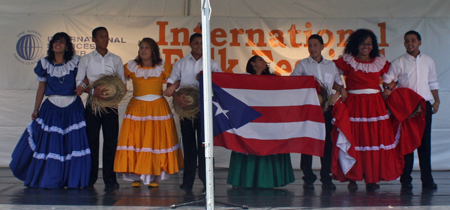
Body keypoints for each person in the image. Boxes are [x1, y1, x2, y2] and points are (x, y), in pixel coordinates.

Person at [10, 32, 91, 189]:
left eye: (61, 42)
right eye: (55, 42)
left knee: (71, 144)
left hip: (72, 107)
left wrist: (83, 86)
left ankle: (71, 179)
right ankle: (50, 177)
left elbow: (86, 79)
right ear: (51, 45)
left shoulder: (76, 62)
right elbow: (41, 87)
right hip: (51, 108)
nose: (57, 44)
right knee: (50, 145)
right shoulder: (44, 64)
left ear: (67, 46)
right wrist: (36, 109)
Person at [333, 29, 403, 189]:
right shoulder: (348, 60)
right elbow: (330, 74)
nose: (366, 46)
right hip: (354, 105)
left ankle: (372, 178)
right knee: (355, 140)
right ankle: (353, 177)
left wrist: (388, 88)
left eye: (369, 43)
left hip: (374, 106)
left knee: (373, 140)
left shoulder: (380, 62)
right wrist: (341, 89)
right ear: (356, 44)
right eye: (363, 43)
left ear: (374, 46)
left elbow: (393, 78)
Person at [113, 38, 183, 188]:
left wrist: (172, 88)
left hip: (157, 108)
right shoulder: (131, 66)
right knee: (136, 141)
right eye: (142, 48)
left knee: (154, 142)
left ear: (153, 51)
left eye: (147, 47)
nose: (143, 50)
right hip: (137, 108)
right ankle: (136, 175)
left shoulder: (163, 67)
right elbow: (117, 79)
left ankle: (154, 176)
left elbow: (178, 77)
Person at [226, 55, 296, 188]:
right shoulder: (243, 78)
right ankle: (246, 180)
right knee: (247, 144)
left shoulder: (273, 79)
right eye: (260, 60)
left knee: (269, 144)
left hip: (268, 119)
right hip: (249, 119)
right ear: (252, 63)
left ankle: (270, 180)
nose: (264, 63)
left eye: (264, 61)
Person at [164, 33, 222, 191]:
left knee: (205, 146)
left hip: (205, 111)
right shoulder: (180, 64)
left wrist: (206, 78)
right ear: (190, 44)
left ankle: (207, 182)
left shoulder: (213, 64)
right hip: (186, 110)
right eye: (196, 42)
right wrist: (177, 98)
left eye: (202, 43)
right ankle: (187, 181)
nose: (199, 45)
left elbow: (221, 86)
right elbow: (171, 84)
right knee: (189, 146)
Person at [383, 30, 440, 189]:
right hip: (407, 108)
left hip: (424, 106)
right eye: (407, 41)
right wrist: (389, 89)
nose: (410, 43)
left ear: (419, 42)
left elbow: (433, 83)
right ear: (404, 43)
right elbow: (388, 81)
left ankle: (427, 180)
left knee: (424, 143)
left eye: (413, 40)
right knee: (406, 144)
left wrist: (437, 101)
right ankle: (406, 179)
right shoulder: (398, 62)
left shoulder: (428, 61)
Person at [291, 34, 347, 190]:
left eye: (315, 45)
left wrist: (340, 91)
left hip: (327, 109)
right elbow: (293, 83)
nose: (312, 48)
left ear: (322, 47)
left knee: (327, 143)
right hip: (310, 110)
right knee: (308, 142)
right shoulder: (302, 65)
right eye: (310, 45)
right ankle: (308, 176)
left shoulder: (330, 65)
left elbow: (337, 84)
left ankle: (326, 176)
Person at [75, 26, 125, 192]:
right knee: (92, 141)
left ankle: (110, 178)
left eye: (107, 36)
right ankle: (90, 177)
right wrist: (93, 91)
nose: (105, 39)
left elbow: (123, 83)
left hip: (111, 105)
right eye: (101, 36)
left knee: (111, 142)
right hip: (93, 104)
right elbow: (79, 83)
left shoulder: (116, 59)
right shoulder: (86, 59)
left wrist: (113, 93)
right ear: (93, 39)